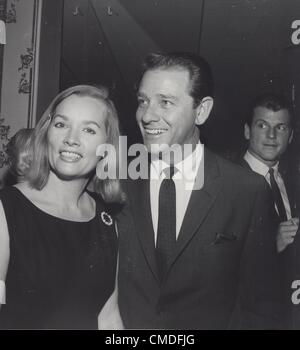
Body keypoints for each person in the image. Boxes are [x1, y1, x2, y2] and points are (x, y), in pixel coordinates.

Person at [114, 52, 282, 329]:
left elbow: (262, 307)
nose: (147, 115)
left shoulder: (246, 191)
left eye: (165, 102)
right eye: (143, 101)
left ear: (201, 111)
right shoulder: (116, 184)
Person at [0, 84, 123, 329]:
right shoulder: (6, 209)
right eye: (61, 124)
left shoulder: (107, 222)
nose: (71, 139)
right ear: (46, 134)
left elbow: (108, 318)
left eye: (89, 129)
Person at [242, 94, 298, 253]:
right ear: (247, 131)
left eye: (281, 127)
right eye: (262, 126)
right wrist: (272, 246)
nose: (271, 135)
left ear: (290, 136)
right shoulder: (226, 183)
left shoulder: (293, 181)